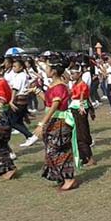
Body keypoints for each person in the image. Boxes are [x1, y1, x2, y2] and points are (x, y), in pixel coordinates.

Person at [33, 57, 79, 191]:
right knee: (52, 150)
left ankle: (69, 178)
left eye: (47, 68)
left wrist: (42, 123)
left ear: (53, 71)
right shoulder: (53, 85)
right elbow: (48, 102)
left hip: (60, 122)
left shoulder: (60, 86)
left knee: (57, 150)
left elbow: (55, 106)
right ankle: (63, 176)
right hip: (53, 121)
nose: (45, 70)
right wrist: (37, 92)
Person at [68, 65, 96, 167]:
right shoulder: (76, 84)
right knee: (77, 133)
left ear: (79, 74)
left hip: (80, 109)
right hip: (75, 108)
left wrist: (89, 110)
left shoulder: (83, 85)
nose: (71, 76)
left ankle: (89, 157)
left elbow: (83, 98)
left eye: (73, 73)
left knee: (81, 133)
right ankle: (83, 156)